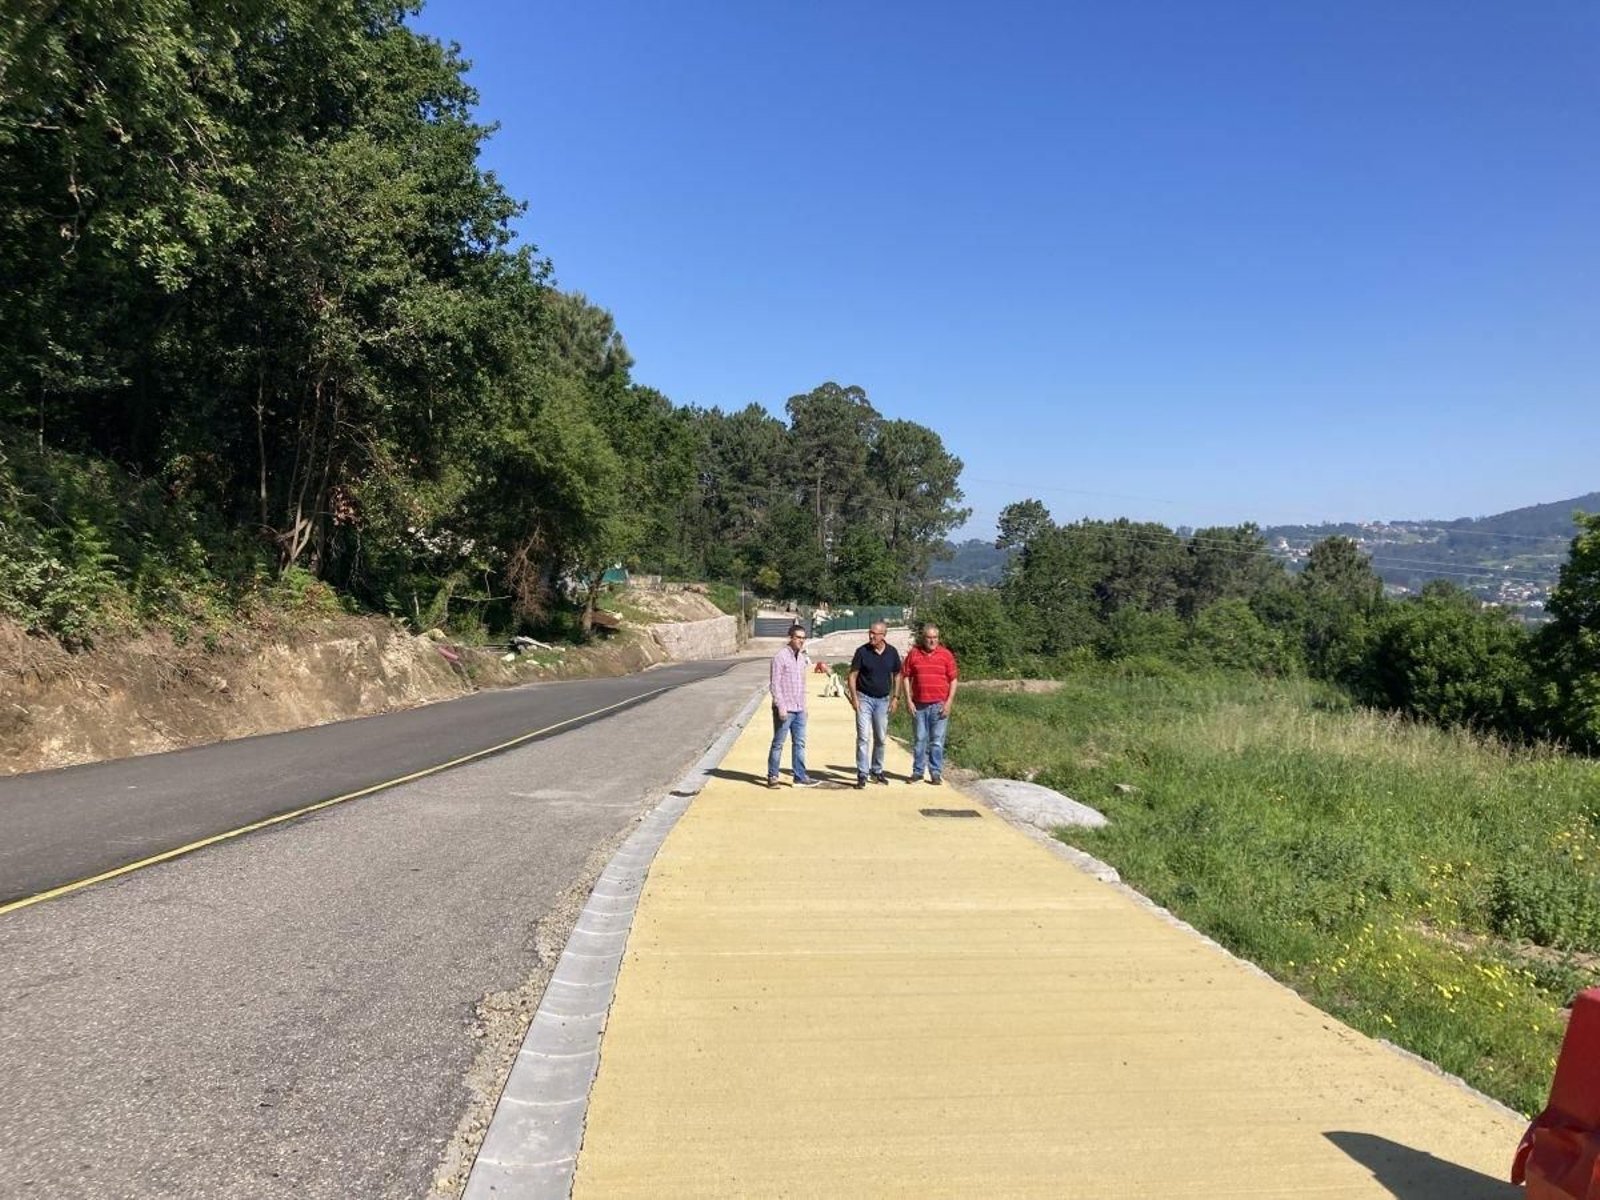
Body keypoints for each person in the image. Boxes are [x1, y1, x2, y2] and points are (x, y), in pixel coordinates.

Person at [901, 622, 958, 785]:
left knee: (937, 740)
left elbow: (953, 679)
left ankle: (935, 772)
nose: (932, 641)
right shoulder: (914, 654)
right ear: (923, 638)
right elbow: (905, 676)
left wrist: (949, 703)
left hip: (939, 705)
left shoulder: (946, 655)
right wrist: (908, 700)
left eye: (935, 638)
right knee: (919, 739)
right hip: (919, 705)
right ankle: (918, 771)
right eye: (929, 638)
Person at [847, 621, 901, 789]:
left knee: (880, 737)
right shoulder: (862, 652)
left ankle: (876, 770)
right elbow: (852, 676)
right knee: (863, 737)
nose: (871, 636)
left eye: (875, 634)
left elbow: (898, 675)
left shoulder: (892, 653)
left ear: (883, 635)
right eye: (870, 632)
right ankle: (862, 773)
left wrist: (896, 697)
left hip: (883, 701)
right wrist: (854, 698)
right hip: (864, 699)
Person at [768, 624, 820, 788]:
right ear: (790, 638)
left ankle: (799, 775)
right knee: (778, 743)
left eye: (803, 638)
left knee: (799, 743)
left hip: (799, 709)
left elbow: (802, 684)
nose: (801, 641)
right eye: (798, 637)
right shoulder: (780, 657)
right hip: (785, 709)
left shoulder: (802, 658)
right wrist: (781, 706)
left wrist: (804, 707)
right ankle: (772, 776)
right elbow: (775, 684)